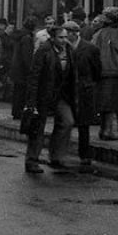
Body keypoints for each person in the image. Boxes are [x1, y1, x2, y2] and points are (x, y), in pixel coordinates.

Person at [24, 26, 77, 174]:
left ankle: (57, 157)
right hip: (44, 94)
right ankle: (32, 159)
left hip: (62, 94)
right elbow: (34, 76)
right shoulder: (44, 51)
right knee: (38, 127)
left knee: (67, 121)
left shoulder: (69, 51)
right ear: (52, 38)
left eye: (66, 37)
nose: (64, 40)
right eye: (61, 37)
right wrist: (31, 101)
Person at [64, 20, 102, 172]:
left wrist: (89, 83)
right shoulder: (61, 48)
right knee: (65, 122)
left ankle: (84, 154)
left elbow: (97, 70)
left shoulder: (90, 48)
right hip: (66, 90)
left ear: (74, 33)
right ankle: (60, 152)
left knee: (83, 124)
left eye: (67, 34)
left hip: (84, 89)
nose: (65, 38)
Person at [92, 6, 118, 141]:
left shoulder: (98, 35)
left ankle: (103, 129)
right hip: (117, 73)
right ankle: (109, 131)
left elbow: (92, 53)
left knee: (104, 104)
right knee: (113, 104)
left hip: (101, 73)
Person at [10, 17, 37, 121]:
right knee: (22, 91)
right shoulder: (27, 38)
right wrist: (30, 68)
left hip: (16, 67)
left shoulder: (19, 36)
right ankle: (19, 112)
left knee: (18, 91)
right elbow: (27, 56)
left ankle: (16, 111)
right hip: (22, 70)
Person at [0, 18, 14, 101]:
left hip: (3, 59)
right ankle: (1, 95)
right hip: (3, 59)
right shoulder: (0, 35)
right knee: (2, 77)